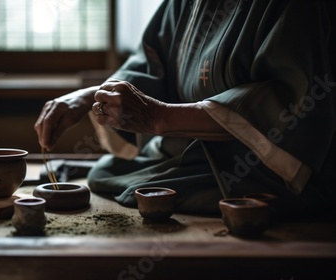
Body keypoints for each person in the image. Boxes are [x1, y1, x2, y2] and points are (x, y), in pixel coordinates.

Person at [34, 0, 336, 219]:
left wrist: (159, 117)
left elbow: (291, 100)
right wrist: (89, 97)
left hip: (252, 170)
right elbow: (153, 63)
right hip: (183, 155)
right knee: (108, 174)